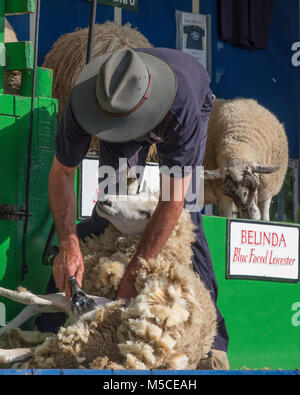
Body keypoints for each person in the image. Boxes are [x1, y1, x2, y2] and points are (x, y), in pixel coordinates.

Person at [37, 47, 229, 369]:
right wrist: (68, 245)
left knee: (187, 225)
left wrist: (136, 271)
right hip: (119, 108)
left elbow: (172, 202)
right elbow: (62, 174)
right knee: (111, 209)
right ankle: (52, 324)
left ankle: (213, 343)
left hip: (182, 106)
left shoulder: (181, 109)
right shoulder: (87, 101)